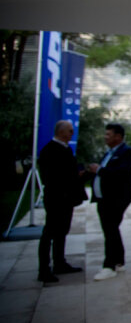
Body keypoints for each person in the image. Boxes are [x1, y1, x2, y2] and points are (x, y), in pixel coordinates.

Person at [37, 120, 85, 282]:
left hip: (66, 199)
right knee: (49, 233)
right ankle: (44, 269)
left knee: (62, 232)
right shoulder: (49, 150)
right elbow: (50, 177)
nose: (72, 133)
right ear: (61, 132)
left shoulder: (66, 148)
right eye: (70, 130)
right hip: (56, 198)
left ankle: (59, 263)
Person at [88, 122, 131, 281]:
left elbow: (121, 174)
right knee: (111, 230)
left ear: (118, 137)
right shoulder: (109, 152)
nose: (105, 137)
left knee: (110, 230)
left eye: (108, 134)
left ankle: (109, 266)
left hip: (116, 199)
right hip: (103, 199)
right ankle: (119, 260)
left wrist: (99, 170)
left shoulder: (126, 152)